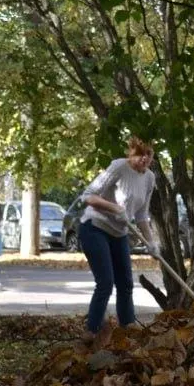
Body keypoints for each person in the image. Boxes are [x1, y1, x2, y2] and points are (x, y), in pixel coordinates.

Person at [78, 136, 158, 335]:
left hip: (119, 233)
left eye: (148, 154)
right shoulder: (119, 167)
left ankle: (128, 332)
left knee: (126, 284)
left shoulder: (149, 178)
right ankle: (92, 332)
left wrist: (151, 242)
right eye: (140, 153)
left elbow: (141, 214)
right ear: (131, 152)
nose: (144, 159)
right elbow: (88, 196)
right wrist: (114, 208)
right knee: (105, 282)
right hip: (95, 226)